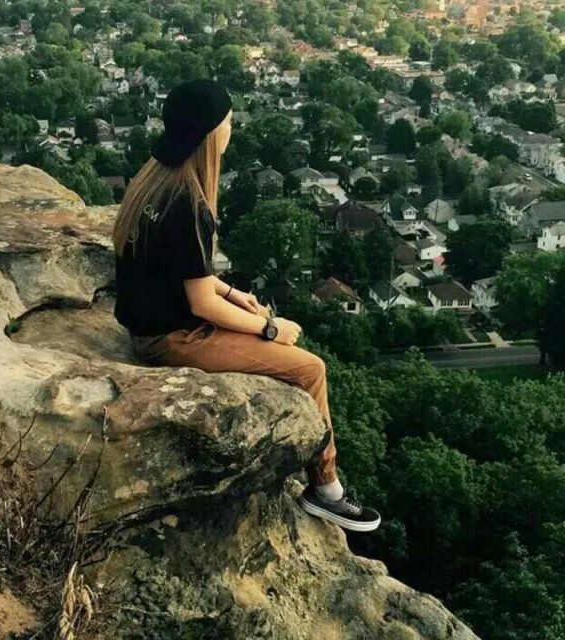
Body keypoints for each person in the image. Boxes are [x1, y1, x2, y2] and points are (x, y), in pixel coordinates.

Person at [112, 78, 381, 532]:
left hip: (154, 323)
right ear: (209, 133)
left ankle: (324, 484)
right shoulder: (188, 203)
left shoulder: (153, 182)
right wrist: (271, 329)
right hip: (171, 338)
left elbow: (179, 273)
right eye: (228, 121)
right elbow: (201, 304)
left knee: (262, 324)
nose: (232, 129)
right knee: (310, 369)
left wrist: (234, 294)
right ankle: (326, 490)